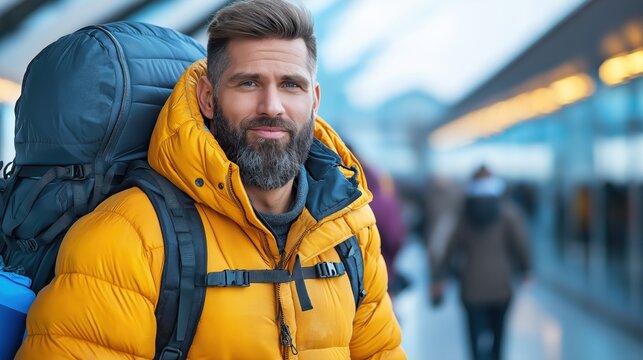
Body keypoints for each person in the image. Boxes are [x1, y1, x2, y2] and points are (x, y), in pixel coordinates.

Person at [16, 1, 405, 359]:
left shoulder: (349, 234)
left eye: (291, 84)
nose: (272, 106)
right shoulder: (127, 237)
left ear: (314, 100)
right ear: (207, 97)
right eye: (248, 83)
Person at [430, 165, 531, 360]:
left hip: (471, 287)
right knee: (499, 340)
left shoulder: (463, 214)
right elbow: (520, 243)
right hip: (502, 285)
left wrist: (439, 276)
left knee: (474, 342)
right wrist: (527, 269)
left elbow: (450, 248)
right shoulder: (508, 212)